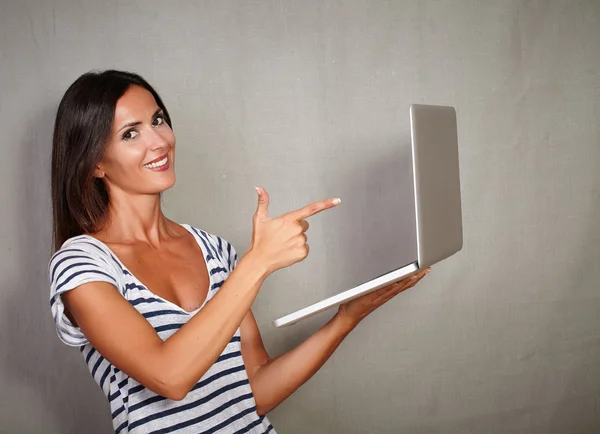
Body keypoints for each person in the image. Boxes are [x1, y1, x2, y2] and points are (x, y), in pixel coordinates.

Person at [48, 69, 430, 434]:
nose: (159, 141)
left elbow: (256, 392)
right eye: (130, 134)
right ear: (95, 162)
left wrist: (345, 318)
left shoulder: (212, 249)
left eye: (158, 119)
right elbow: (170, 377)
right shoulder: (82, 263)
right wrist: (258, 263)